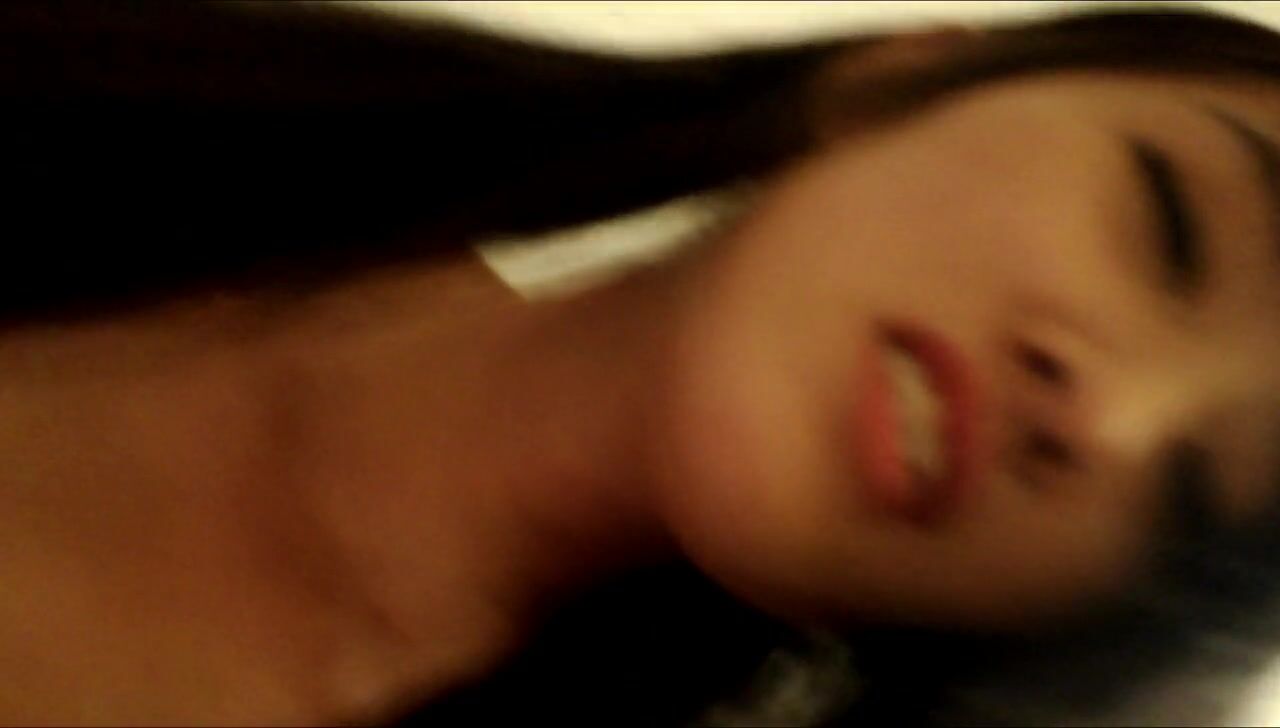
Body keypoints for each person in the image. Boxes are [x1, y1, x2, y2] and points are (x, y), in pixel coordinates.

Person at [6, 1, 1280, 724]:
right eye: (1171, 221)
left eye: (1185, 502)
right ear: (904, 79)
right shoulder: (135, 98)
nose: (1106, 418)